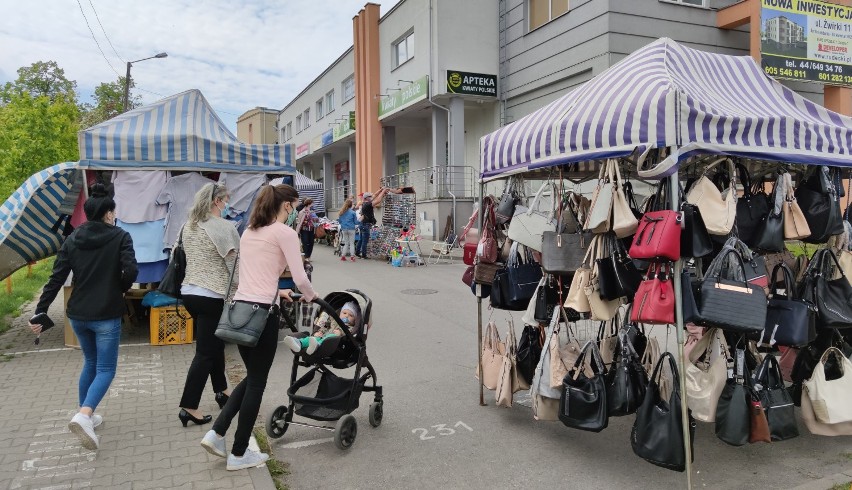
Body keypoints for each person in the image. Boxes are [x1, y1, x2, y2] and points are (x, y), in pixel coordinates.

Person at [200, 184, 318, 471]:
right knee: (256, 384)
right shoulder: (285, 233)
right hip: (262, 316)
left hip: (241, 312)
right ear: (288, 206)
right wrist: (312, 296)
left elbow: (252, 277)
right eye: (293, 208)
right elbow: (301, 278)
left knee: (251, 378)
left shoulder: (250, 231)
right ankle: (239, 453)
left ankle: (217, 433)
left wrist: (279, 292)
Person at [29, 183, 138, 450]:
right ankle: (85, 415)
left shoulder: (72, 239)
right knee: (105, 369)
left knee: (90, 362)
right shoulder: (121, 236)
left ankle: (86, 414)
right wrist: (120, 288)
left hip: (77, 313)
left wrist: (40, 310)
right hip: (106, 314)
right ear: (109, 213)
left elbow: (55, 279)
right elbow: (132, 272)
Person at [177, 183, 240, 427]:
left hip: (189, 292)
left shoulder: (189, 225)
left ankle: (222, 390)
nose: (227, 205)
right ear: (217, 201)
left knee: (214, 344)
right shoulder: (224, 227)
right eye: (226, 200)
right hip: (212, 294)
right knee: (205, 352)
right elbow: (234, 265)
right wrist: (240, 290)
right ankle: (189, 405)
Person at [282, 301, 361, 354]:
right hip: (322, 336)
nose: (346, 316)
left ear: (354, 320)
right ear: (340, 313)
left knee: (331, 337)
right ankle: (299, 343)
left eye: (351, 315)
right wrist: (319, 332)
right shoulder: (333, 319)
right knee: (312, 338)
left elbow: (350, 334)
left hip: (335, 342)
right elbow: (325, 326)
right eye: (344, 313)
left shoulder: (350, 327)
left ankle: (317, 345)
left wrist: (341, 332)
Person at [356, 192, 376, 258]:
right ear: (366, 197)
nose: (371, 197)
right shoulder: (367, 204)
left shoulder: (363, 204)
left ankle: (357, 252)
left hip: (362, 224)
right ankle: (364, 255)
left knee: (361, 239)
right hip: (365, 224)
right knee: (364, 240)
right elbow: (376, 199)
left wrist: (381, 191)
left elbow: (374, 195)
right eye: (369, 196)